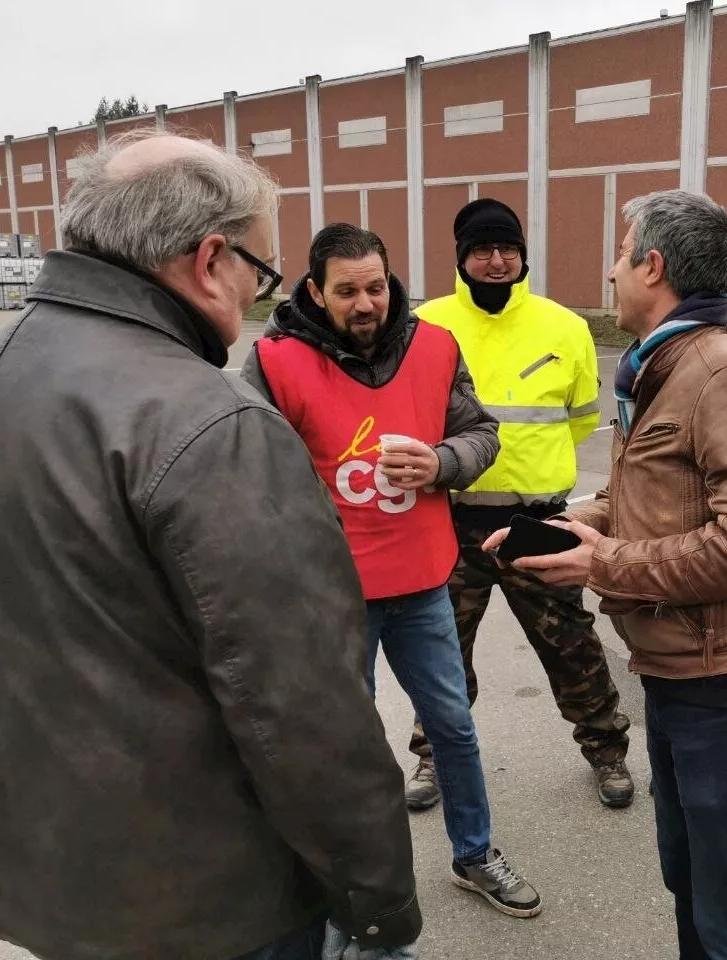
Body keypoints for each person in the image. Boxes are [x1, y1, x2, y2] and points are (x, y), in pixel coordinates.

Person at [0, 133, 420, 960]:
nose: (253, 299)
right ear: (211, 260)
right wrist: (377, 897)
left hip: (38, 869)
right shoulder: (211, 421)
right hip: (205, 902)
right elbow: (301, 705)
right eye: (260, 273)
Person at [489, 189, 727, 960]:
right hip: (677, 674)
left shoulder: (720, 375)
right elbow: (663, 496)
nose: (610, 272)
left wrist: (606, 562)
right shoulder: (662, 367)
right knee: (693, 886)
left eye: (620, 253)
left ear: (653, 265)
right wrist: (587, 521)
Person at [241, 222, 540, 920]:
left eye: (375, 287)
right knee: (345, 744)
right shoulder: (277, 360)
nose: (365, 302)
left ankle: (474, 853)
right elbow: (247, 467)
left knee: (453, 728)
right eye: (346, 291)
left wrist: (442, 463)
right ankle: (346, 874)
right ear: (315, 291)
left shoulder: (433, 346)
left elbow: (482, 433)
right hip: (332, 597)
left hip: (423, 583)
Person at [411, 198, 633, 809]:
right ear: (461, 257)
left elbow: (583, 418)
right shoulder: (426, 325)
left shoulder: (563, 326)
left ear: (523, 255)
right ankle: (433, 759)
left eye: (507, 248)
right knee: (440, 651)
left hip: (536, 521)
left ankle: (608, 750)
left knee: (570, 645)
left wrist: (529, 471)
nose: (496, 260)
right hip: (448, 521)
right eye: (482, 249)